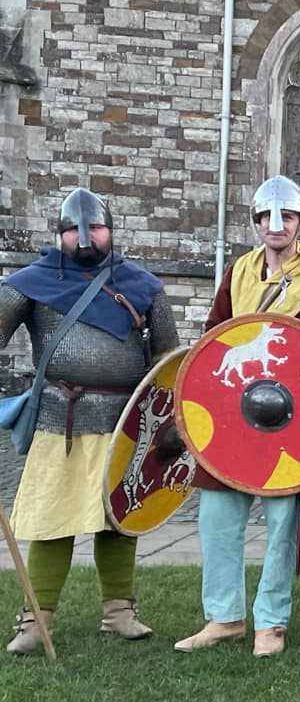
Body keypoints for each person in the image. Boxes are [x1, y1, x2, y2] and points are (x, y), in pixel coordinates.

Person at [176, 176, 300, 659]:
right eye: (267, 217)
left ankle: (270, 624)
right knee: (217, 516)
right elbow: (213, 341)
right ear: (256, 222)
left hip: (289, 420)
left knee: (280, 523)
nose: (277, 226)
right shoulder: (238, 272)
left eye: (288, 217)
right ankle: (224, 617)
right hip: (231, 415)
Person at [2, 189, 177, 653]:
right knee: (50, 521)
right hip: (61, 419)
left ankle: (119, 613)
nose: (84, 237)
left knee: (120, 519)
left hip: (126, 421)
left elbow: (167, 358)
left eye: (94, 227)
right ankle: (37, 621)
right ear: (58, 233)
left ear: (111, 231)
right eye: (73, 229)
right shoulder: (31, 284)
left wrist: (169, 419)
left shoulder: (142, 286)